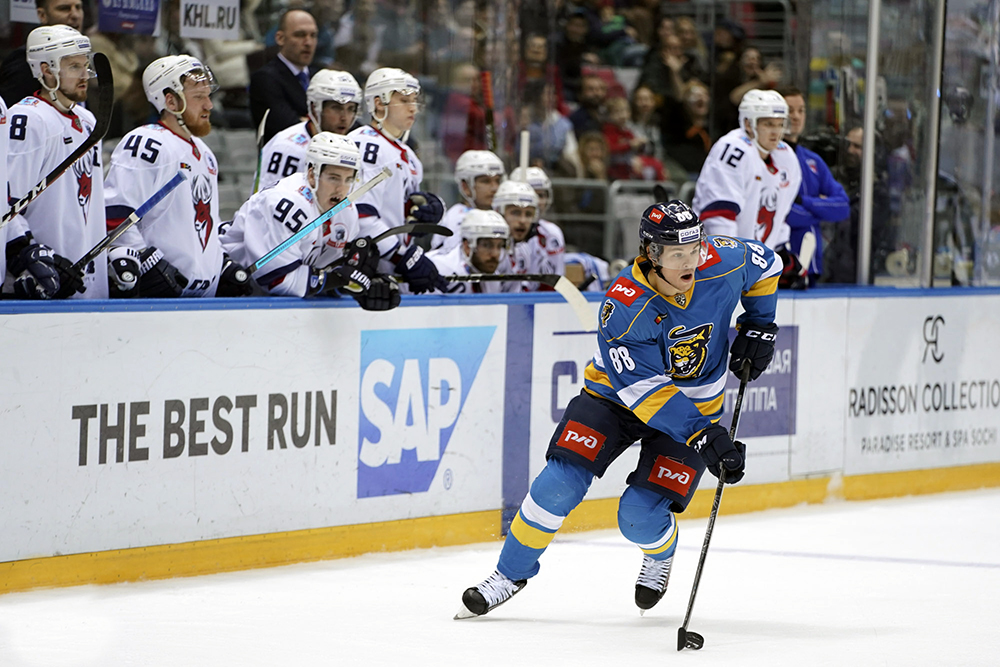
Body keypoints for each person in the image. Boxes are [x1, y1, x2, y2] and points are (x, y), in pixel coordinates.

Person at [456, 200, 781, 618]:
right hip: (616, 397)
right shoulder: (625, 305)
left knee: (639, 517)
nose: (690, 262)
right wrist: (703, 434)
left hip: (694, 404)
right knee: (558, 484)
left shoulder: (722, 259)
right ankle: (508, 575)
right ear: (651, 253)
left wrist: (760, 324)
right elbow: (645, 392)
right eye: (677, 254)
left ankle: (660, 553)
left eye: (694, 249)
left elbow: (767, 263)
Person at [104, 55, 254, 298]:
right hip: (159, 300)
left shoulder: (204, 153)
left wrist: (221, 263)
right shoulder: (147, 142)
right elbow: (116, 213)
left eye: (208, 96)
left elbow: (205, 223)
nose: (209, 105)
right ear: (171, 101)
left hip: (201, 298)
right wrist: (142, 260)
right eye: (199, 97)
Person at [221, 132, 399, 309]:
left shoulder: (347, 213)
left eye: (348, 179)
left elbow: (328, 271)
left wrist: (363, 284)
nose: (341, 189)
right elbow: (275, 280)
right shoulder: (287, 203)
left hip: (266, 306)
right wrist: (337, 280)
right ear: (313, 175)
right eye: (334, 178)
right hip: (224, 290)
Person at [6, 25, 103, 299]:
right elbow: (7, 202)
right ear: (46, 70)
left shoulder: (88, 121)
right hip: (40, 284)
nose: (84, 75)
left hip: (86, 280)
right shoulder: (27, 119)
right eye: (74, 67)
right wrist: (28, 254)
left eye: (85, 65)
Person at [347, 67, 448, 295]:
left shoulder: (408, 155)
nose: (413, 108)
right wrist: (403, 256)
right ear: (379, 104)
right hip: (361, 272)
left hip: (391, 270)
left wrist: (424, 210)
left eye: (414, 100)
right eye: (403, 100)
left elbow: (396, 210)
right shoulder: (366, 145)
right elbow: (360, 217)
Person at [692, 89, 802, 283]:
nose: (776, 132)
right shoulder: (733, 149)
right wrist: (730, 265)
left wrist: (780, 256)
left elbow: (780, 215)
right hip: (713, 262)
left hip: (755, 266)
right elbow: (719, 217)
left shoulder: (787, 157)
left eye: (780, 124)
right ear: (748, 124)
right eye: (768, 124)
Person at [779, 86, 850, 286]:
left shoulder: (813, 161)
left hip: (810, 268)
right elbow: (781, 214)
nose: (796, 116)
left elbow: (842, 206)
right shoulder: (767, 158)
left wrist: (804, 201)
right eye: (789, 110)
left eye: (801, 110)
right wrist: (820, 210)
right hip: (774, 267)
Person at [257, 69, 362, 192]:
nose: (344, 118)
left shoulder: (353, 147)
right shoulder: (287, 147)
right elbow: (270, 199)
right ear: (314, 108)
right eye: (336, 108)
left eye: (350, 109)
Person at [249, 10, 318, 145]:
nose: (308, 42)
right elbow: (288, 127)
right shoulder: (265, 78)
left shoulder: (319, 75)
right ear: (280, 38)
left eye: (313, 35)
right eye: (300, 35)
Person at [0, 0, 84, 106]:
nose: (76, 15)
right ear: (42, 15)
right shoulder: (26, 60)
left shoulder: (81, 55)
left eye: (78, 7)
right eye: (64, 8)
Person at [431, 150, 505, 253]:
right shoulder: (456, 220)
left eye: (497, 181)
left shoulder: (499, 214)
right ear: (465, 186)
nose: (494, 188)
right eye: (486, 181)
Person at [428, 209, 517, 293]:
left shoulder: (493, 280)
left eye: (499, 246)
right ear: (467, 246)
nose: (495, 254)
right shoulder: (438, 269)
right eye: (487, 245)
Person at [508, 165, 565, 285]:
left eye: (541, 195)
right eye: (532, 194)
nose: (537, 201)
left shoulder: (552, 233)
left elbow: (556, 284)